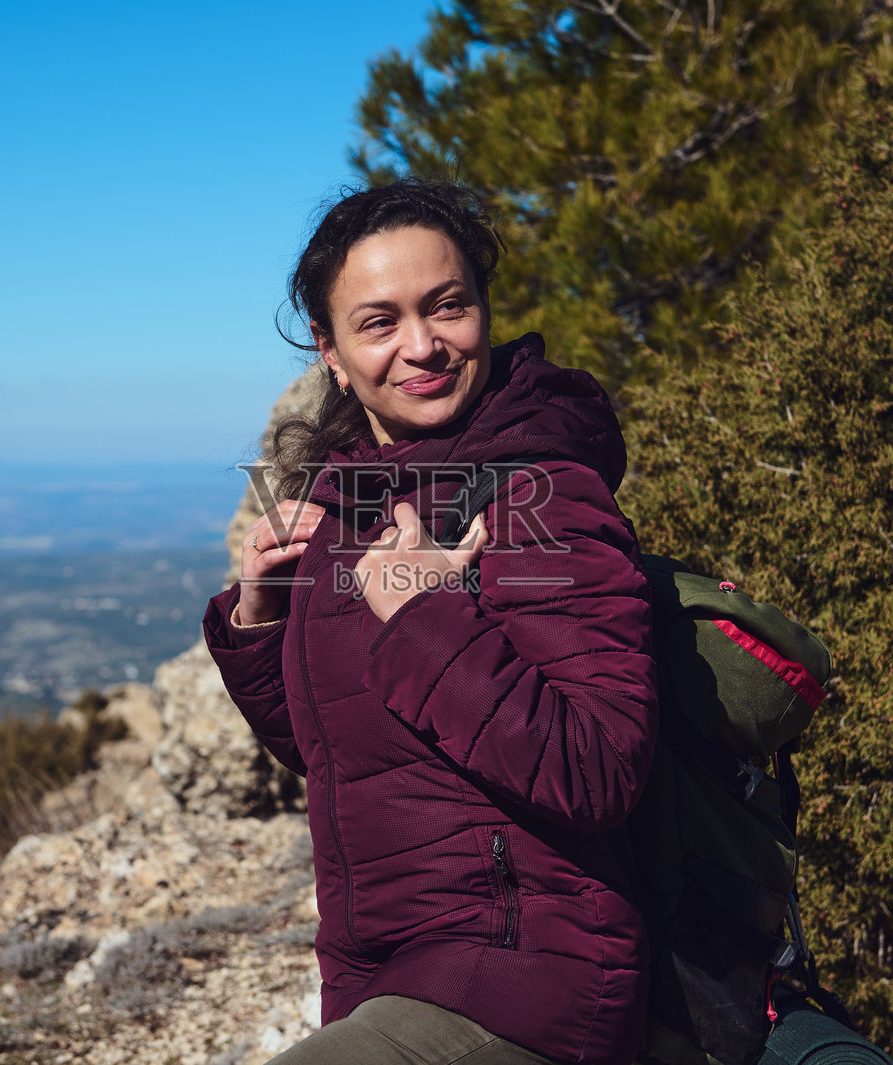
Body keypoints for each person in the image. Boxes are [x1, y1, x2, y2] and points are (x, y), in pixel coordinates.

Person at [202, 180, 658, 1065]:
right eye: (380, 323)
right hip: (382, 972)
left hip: (526, 971)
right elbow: (342, 750)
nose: (423, 345)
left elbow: (599, 766)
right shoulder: (350, 492)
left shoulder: (538, 493)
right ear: (331, 355)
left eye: (448, 306)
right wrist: (261, 625)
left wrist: (423, 612)